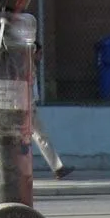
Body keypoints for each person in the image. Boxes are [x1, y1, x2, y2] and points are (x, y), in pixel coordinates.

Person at [31, 42, 72, 180]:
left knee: (40, 137)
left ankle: (58, 167)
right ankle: (57, 168)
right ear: (33, 51)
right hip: (27, 106)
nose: (41, 57)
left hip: (28, 105)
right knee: (40, 137)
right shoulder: (26, 67)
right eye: (39, 53)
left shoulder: (29, 66)